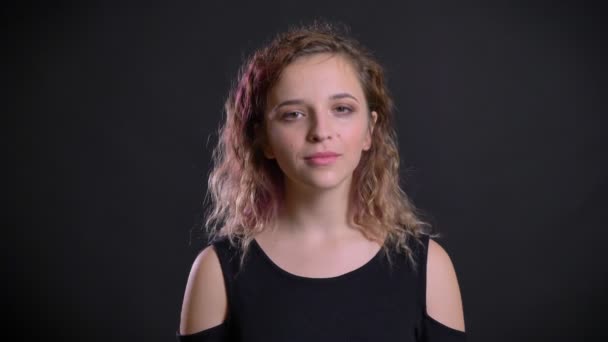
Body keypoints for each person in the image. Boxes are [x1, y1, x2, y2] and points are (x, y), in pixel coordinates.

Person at [177, 21, 466, 341]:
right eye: (293, 114)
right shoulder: (216, 272)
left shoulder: (429, 269)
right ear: (263, 139)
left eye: (342, 109)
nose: (321, 131)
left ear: (370, 129)